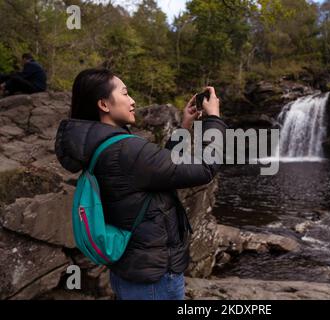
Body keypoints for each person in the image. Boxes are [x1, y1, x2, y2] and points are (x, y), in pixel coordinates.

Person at [54, 68, 226, 300]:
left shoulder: (103, 145)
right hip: (153, 279)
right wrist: (214, 119)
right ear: (104, 104)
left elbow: (160, 169)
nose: (132, 101)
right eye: (125, 94)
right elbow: (205, 169)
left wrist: (184, 126)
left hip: (134, 268)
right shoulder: (126, 150)